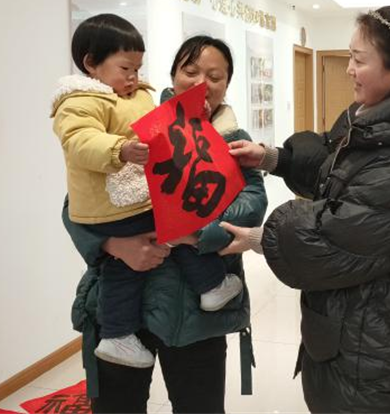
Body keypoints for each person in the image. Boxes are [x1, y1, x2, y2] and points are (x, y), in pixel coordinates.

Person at [223, 5, 390, 414]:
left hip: (374, 351)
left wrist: (259, 236)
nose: (349, 70)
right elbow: (335, 167)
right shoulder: (377, 124)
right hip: (365, 331)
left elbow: (333, 239)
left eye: (359, 60)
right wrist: (272, 158)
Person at [62, 34, 266, 414]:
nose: (201, 83)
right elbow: (77, 203)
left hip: (196, 315)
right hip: (121, 310)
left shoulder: (236, 140)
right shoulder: (137, 126)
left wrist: (194, 232)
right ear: (173, 75)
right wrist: (113, 245)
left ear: (227, 84)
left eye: (215, 76)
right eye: (191, 71)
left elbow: (252, 205)